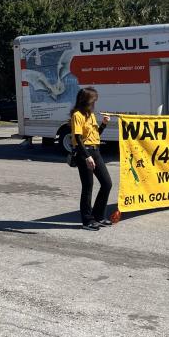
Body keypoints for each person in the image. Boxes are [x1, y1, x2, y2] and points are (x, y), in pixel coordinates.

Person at [71, 87, 112, 231]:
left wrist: (104, 124)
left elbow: (96, 135)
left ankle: (99, 215)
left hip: (96, 150)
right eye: (93, 100)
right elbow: (78, 138)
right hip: (84, 152)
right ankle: (87, 221)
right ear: (86, 100)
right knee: (88, 187)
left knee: (107, 183)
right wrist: (87, 156)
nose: (95, 102)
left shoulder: (91, 115)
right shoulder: (77, 115)